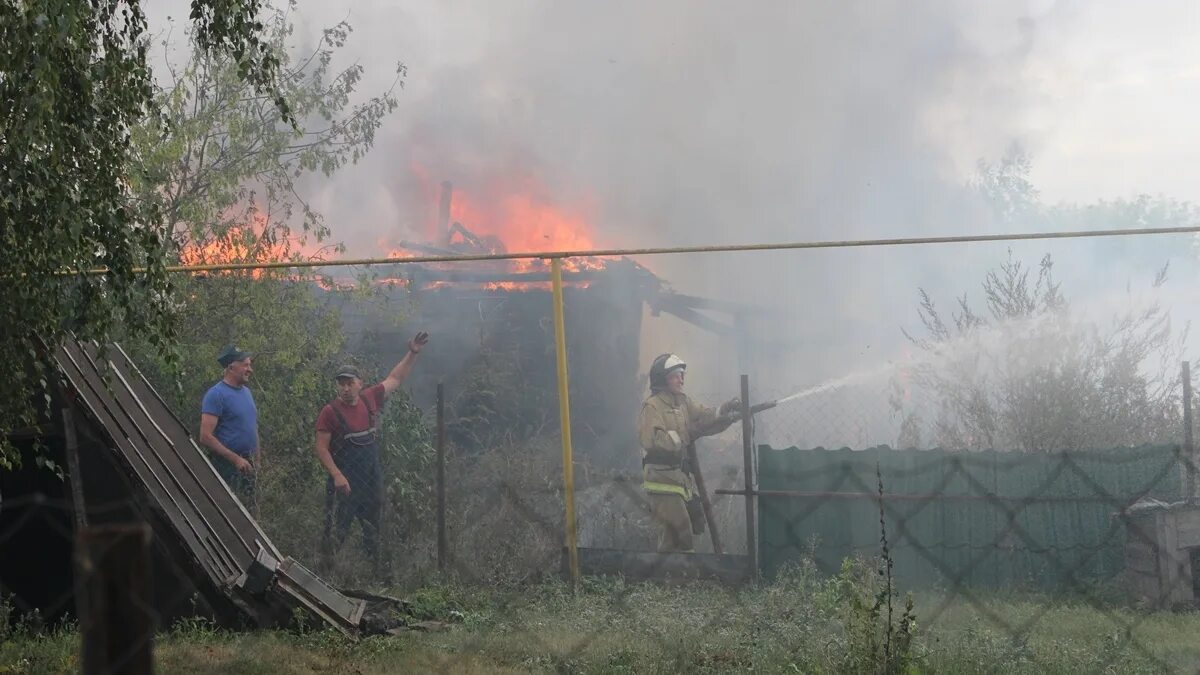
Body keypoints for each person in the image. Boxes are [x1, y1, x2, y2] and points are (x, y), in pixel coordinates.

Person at [315, 331, 430, 568]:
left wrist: (412, 353)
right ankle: (327, 571)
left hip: (371, 477)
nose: (345, 388)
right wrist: (337, 475)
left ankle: (375, 570)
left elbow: (395, 378)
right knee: (338, 528)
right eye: (341, 384)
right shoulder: (330, 412)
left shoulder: (370, 398)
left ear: (360, 383)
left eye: (349, 383)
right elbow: (321, 448)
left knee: (373, 526)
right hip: (345, 480)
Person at [638, 353, 740, 553]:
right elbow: (653, 440)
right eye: (676, 375)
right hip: (661, 478)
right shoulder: (652, 406)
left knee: (683, 532)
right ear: (662, 378)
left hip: (680, 480)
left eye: (682, 375)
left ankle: (677, 578)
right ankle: (675, 578)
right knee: (678, 533)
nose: (681, 379)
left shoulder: (683, 402)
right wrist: (687, 433)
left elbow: (704, 417)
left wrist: (727, 412)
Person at [200, 345, 260, 507]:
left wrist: (257, 459)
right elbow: (205, 436)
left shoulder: (247, 393)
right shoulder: (216, 395)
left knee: (249, 510)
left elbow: (252, 427)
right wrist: (235, 459)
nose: (250, 369)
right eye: (246, 365)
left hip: (249, 463)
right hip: (226, 465)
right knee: (226, 508)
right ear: (231, 367)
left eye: (250, 365)